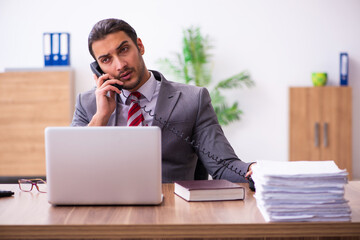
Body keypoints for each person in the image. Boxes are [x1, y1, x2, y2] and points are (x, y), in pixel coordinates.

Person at [71, 18, 254, 183]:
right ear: (98, 68)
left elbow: (223, 166)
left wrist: (256, 171)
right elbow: (71, 169)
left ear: (140, 46)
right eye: (106, 60)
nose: (120, 65)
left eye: (124, 50)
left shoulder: (193, 99)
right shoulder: (87, 104)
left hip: (171, 210)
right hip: (108, 212)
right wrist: (100, 117)